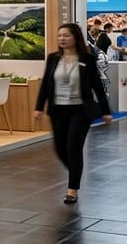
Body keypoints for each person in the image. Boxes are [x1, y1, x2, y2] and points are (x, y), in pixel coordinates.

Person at [35, 23, 114, 204]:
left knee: (73, 147)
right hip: (58, 110)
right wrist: (39, 107)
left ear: (75, 38)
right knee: (60, 148)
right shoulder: (53, 58)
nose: (62, 39)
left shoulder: (87, 59)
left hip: (80, 110)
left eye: (66, 35)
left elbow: (97, 87)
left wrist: (105, 111)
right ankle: (75, 170)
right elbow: (46, 85)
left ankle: (72, 189)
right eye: (59, 35)